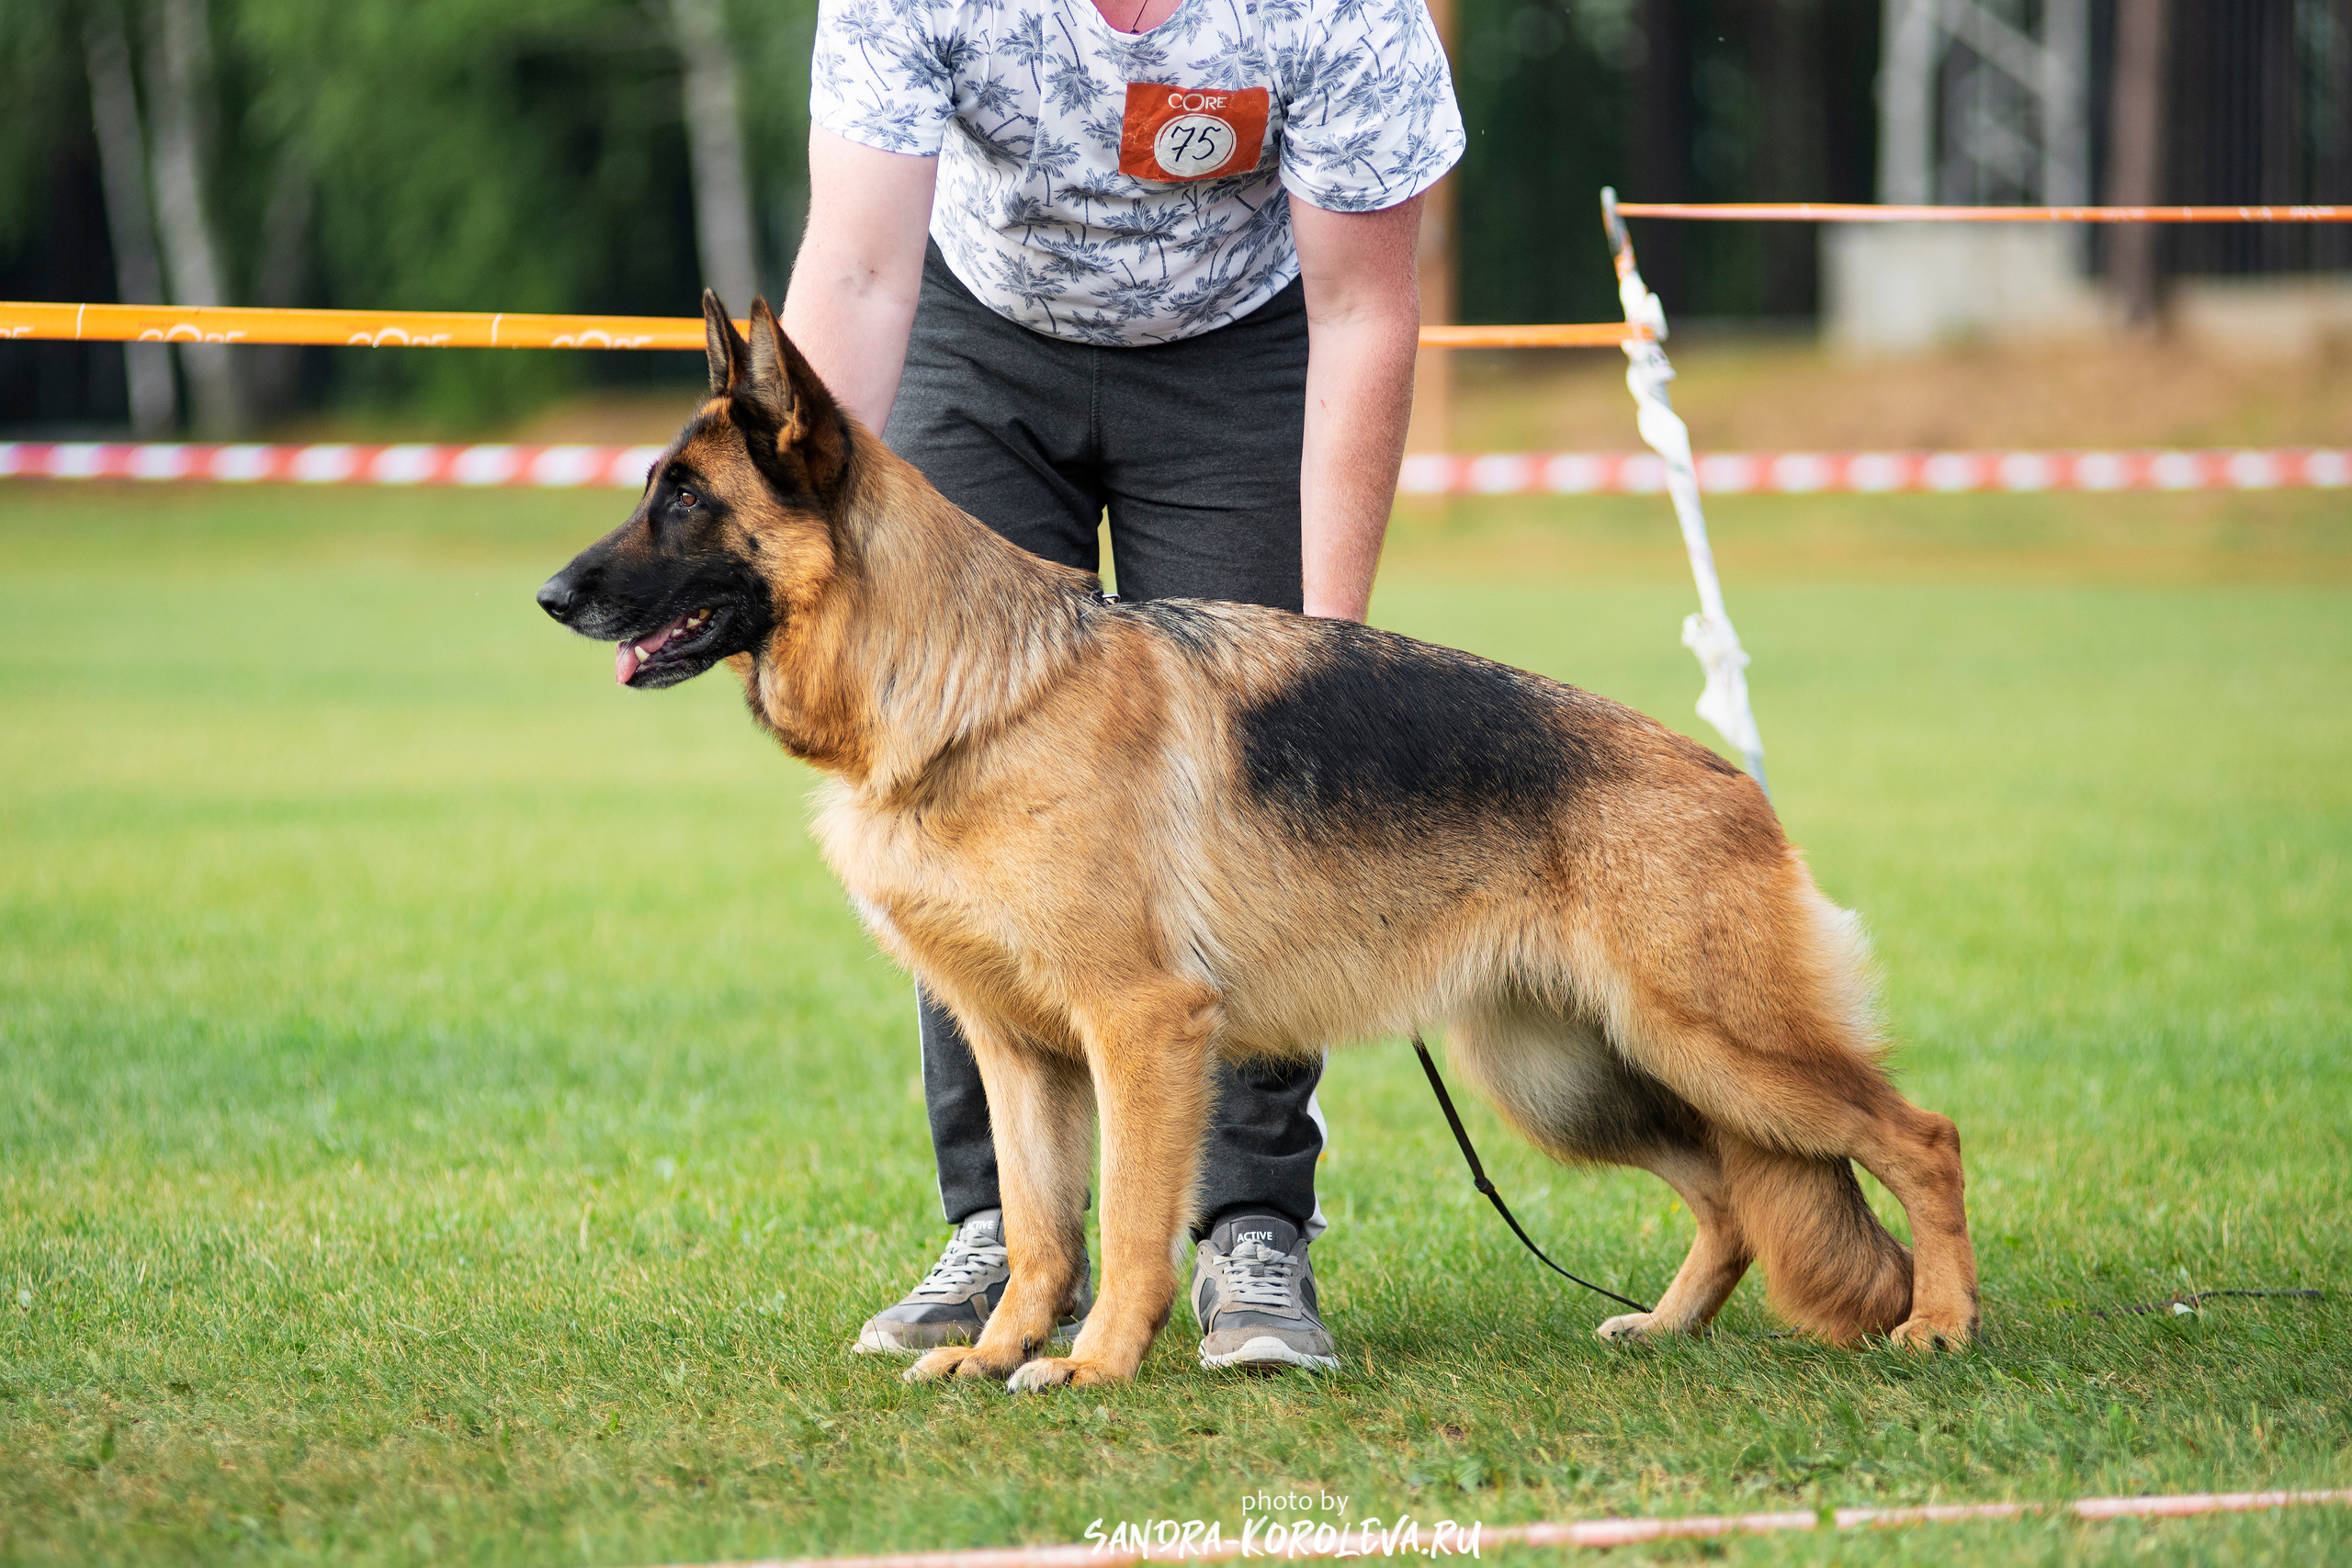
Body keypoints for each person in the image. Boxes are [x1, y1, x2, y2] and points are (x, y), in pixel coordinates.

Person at [778, 0, 1464, 1373]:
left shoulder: (1342, 11)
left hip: (1243, 348)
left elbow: (1364, 306)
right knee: (953, 796)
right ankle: (999, 1233)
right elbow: (856, 272)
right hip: (982, 336)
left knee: (1253, 806)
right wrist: (785, 517)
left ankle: (1252, 1229)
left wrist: (1328, 651)